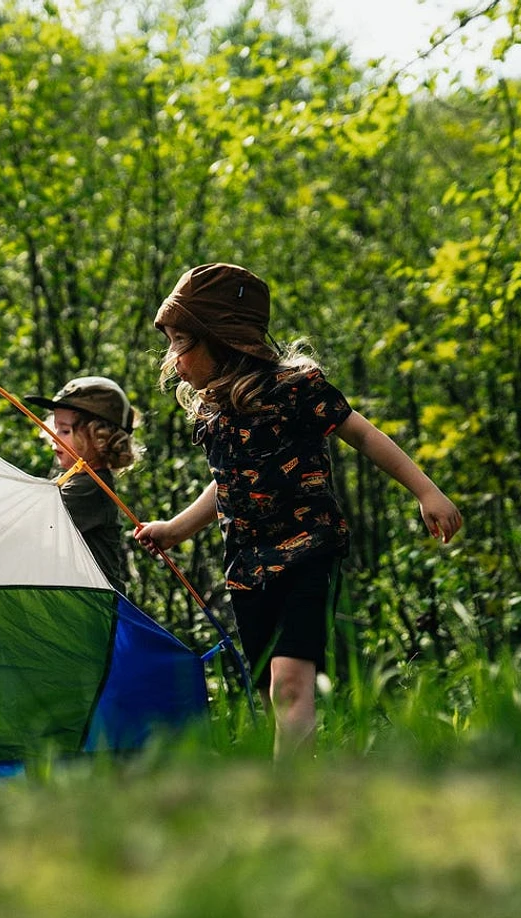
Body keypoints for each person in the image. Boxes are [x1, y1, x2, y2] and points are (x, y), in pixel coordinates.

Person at [134, 262, 462, 758]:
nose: (173, 359)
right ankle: (295, 773)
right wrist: (175, 529)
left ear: (222, 339)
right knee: (271, 691)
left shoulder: (296, 389)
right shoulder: (213, 414)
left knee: (290, 681)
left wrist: (427, 491)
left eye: (182, 342)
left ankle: (292, 791)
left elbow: (363, 434)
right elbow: (225, 485)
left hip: (309, 552)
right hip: (248, 567)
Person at [26, 376, 141, 594]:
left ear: (100, 438)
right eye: (55, 427)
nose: (54, 437)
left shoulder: (91, 486)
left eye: (65, 431)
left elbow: (33, 520)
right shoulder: (77, 479)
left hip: (98, 608)